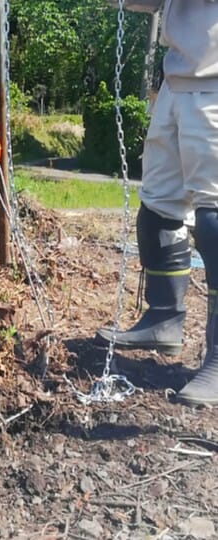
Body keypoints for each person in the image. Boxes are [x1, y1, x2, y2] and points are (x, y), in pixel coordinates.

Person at [96, 0, 218, 406]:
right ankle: (164, 318)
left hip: (214, 79)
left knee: (214, 216)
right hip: (177, 78)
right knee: (159, 205)